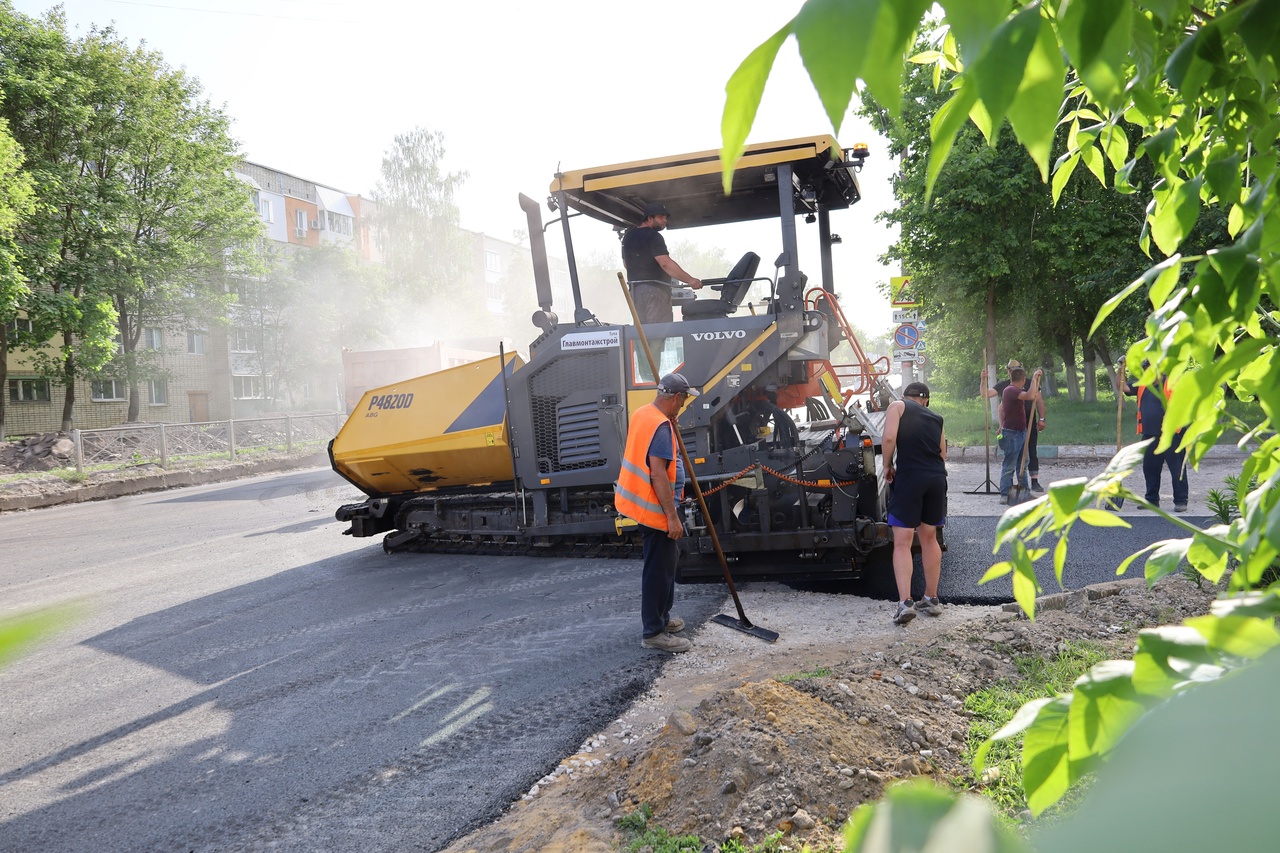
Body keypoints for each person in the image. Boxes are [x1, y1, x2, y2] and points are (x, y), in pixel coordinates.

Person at [614, 372, 700, 652]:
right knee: (658, 571)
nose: (684, 405)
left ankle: (661, 618)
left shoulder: (644, 414)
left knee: (667, 563)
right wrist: (672, 517)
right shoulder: (661, 427)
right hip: (656, 509)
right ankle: (653, 633)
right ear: (675, 398)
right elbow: (659, 475)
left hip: (645, 504)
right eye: (684, 400)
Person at [880, 382, 947, 626]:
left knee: (902, 541)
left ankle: (905, 603)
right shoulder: (937, 417)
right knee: (929, 538)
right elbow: (942, 454)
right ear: (926, 400)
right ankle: (931, 598)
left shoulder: (897, 406)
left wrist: (887, 466)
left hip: (910, 479)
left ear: (905, 397)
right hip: (937, 479)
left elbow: (888, 437)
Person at [620, 202, 702, 324]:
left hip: (634, 292)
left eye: (665, 217)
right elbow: (665, 263)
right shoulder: (654, 236)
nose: (665, 221)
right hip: (655, 291)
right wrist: (690, 280)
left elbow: (626, 264)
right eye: (661, 217)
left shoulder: (628, 236)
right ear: (649, 218)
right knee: (658, 332)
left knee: (642, 334)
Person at [1119, 367, 1188, 511]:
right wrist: (1120, 369)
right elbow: (1123, 387)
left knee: (1177, 470)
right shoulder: (1143, 385)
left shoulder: (1172, 384)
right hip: (1149, 435)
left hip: (1171, 435)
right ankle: (1151, 500)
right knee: (1150, 469)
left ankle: (1181, 501)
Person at [981, 359, 1047, 493]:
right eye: (1011, 369)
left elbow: (1038, 400)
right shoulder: (1009, 388)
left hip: (1026, 425)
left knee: (1026, 458)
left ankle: (1026, 489)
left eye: (1016, 368)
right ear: (1008, 371)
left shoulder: (1023, 383)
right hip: (1012, 430)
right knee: (1012, 462)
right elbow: (988, 396)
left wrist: (1041, 418)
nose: (1013, 371)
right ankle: (1006, 492)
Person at [995, 366, 1043, 504]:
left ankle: (1024, 491)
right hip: (1012, 433)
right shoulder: (1010, 390)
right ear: (1023, 380)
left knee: (1023, 463)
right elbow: (1030, 396)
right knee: (1009, 464)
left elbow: (1031, 395)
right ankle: (1004, 494)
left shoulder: (1015, 390)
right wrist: (1034, 379)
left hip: (1021, 432)